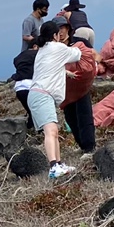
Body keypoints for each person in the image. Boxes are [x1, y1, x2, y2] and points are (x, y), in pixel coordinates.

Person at [27, 20, 83, 179]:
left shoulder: (43, 50)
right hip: (42, 95)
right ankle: (53, 166)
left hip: (40, 94)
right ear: (55, 35)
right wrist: (78, 45)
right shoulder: (57, 48)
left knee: (54, 131)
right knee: (51, 131)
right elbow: (77, 55)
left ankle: (59, 163)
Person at [60, 25, 96, 155]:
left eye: (62, 29)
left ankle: (89, 147)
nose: (60, 33)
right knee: (71, 119)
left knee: (84, 116)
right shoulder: (54, 48)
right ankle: (82, 145)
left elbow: (91, 57)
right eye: (57, 30)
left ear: (68, 30)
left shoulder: (79, 43)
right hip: (65, 90)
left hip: (81, 87)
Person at [12, 46, 36, 129]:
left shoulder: (18, 58)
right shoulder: (36, 54)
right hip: (31, 86)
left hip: (19, 87)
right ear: (35, 46)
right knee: (36, 113)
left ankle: (29, 128)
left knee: (31, 112)